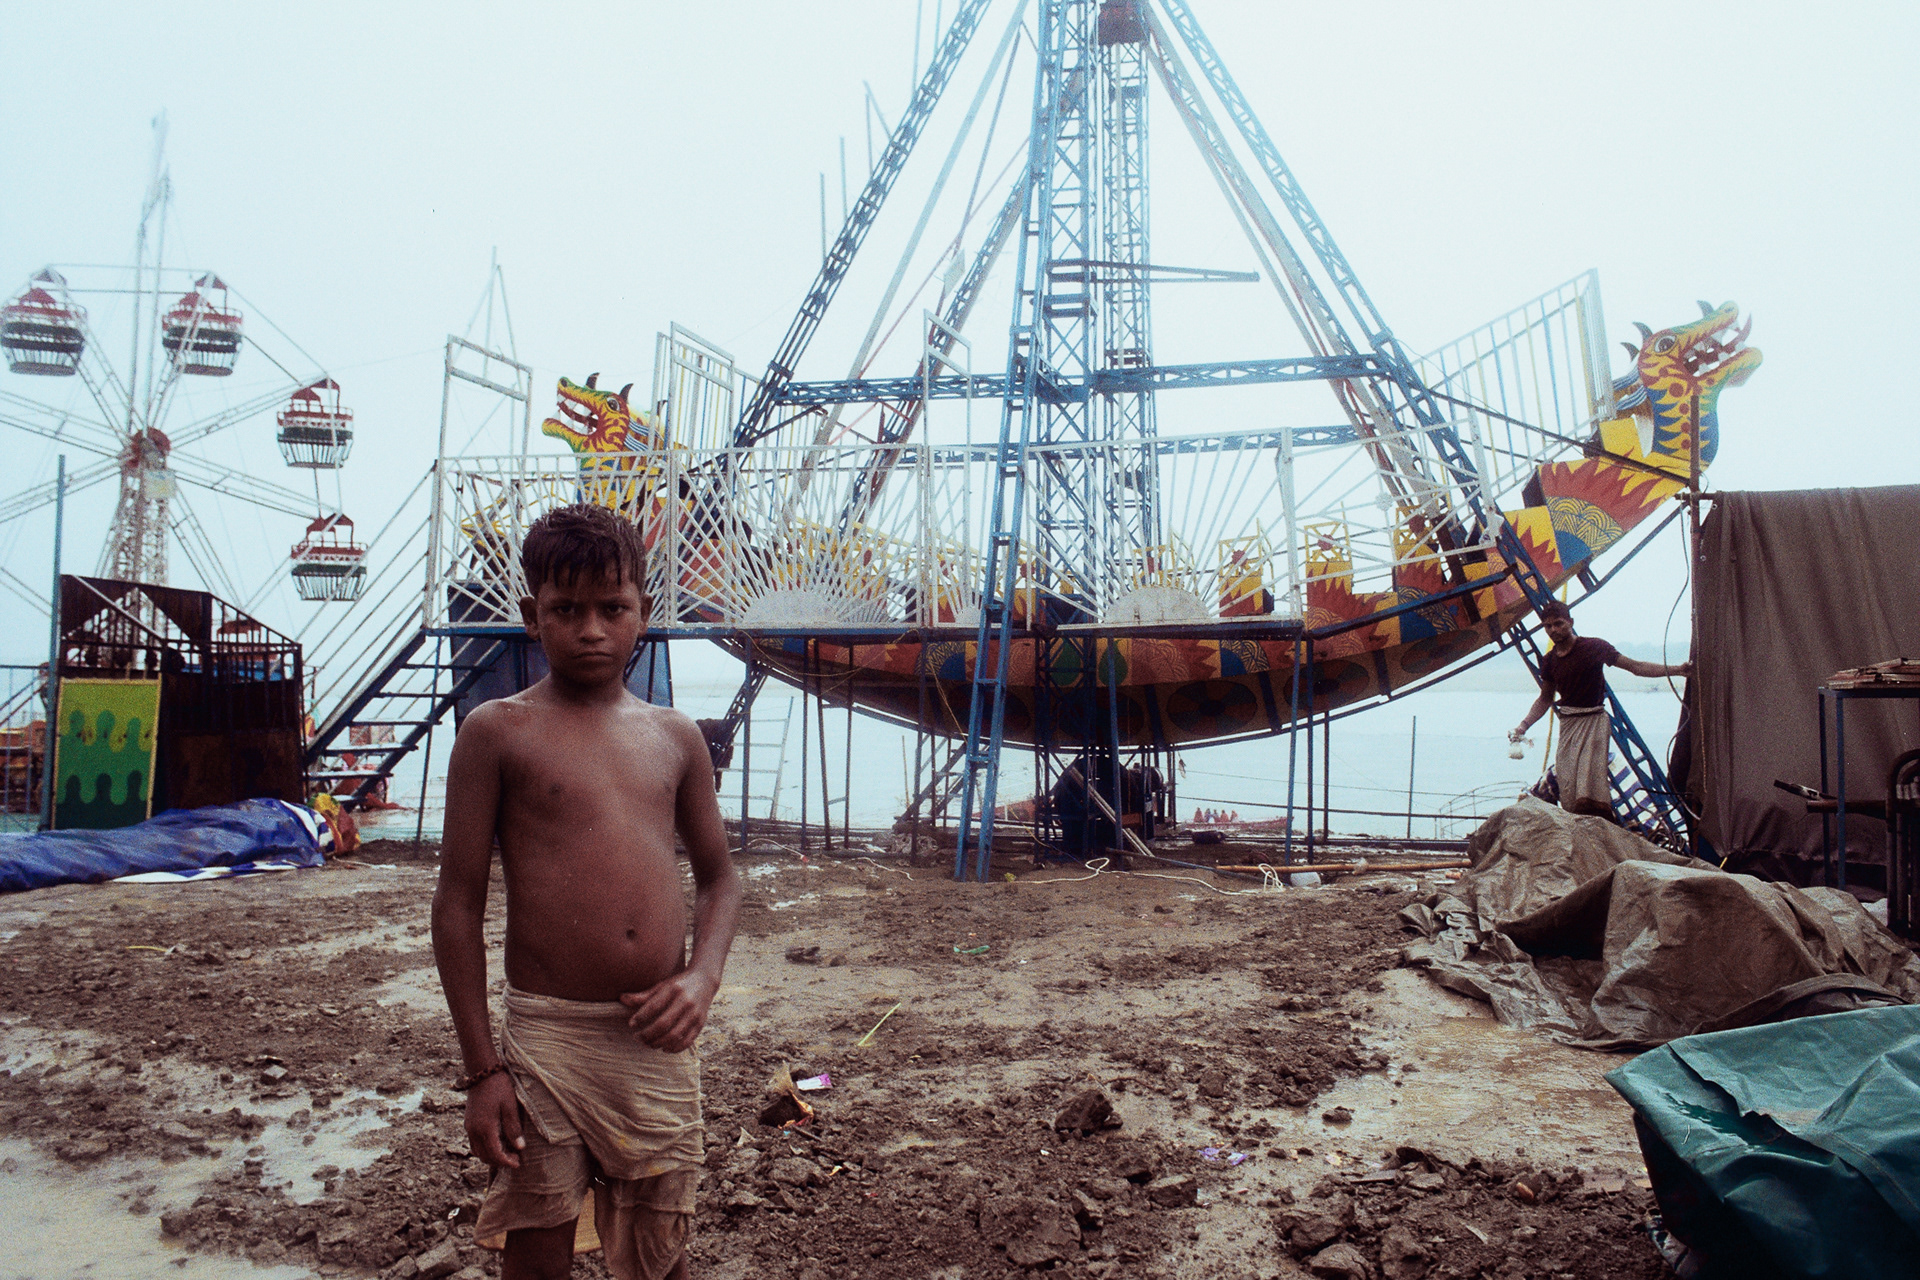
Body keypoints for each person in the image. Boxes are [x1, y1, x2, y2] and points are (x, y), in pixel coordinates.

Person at [432, 503, 742, 1280]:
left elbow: (721, 880)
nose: (592, 629)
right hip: (548, 1042)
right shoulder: (496, 733)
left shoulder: (675, 738)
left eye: (613, 608)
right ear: (534, 616)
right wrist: (482, 1070)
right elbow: (457, 905)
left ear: (644, 612)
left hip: (655, 1041)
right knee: (537, 1246)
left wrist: (701, 978)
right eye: (567, 610)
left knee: (658, 1253)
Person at [1510, 600, 1690, 818]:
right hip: (1568, 725)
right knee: (1567, 783)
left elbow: (1636, 667)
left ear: (1570, 622)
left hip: (1594, 722)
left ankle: (1598, 825)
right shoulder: (1549, 661)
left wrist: (1677, 670)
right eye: (1548, 626)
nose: (1553, 630)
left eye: (1558, 624)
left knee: (1590, 784)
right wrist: (1523, 726)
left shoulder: (1593, 647)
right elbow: (1545, 698)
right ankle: (1577, 827)